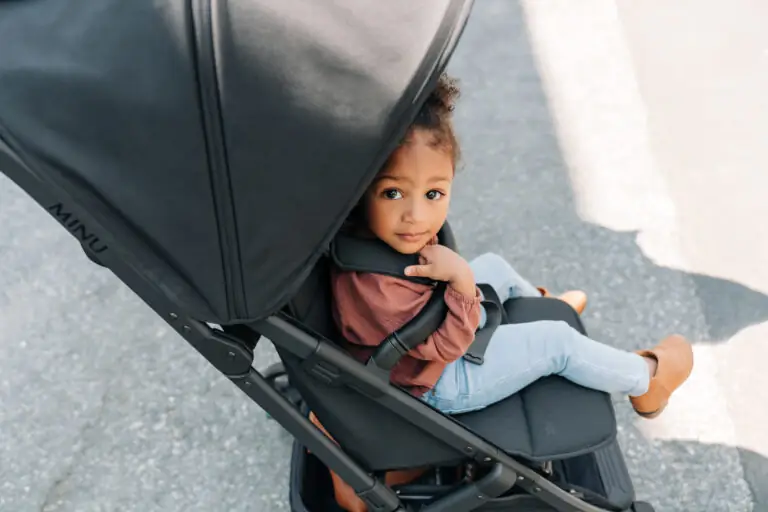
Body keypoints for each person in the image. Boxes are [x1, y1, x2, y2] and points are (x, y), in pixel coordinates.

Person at [318, 73, 694, 512]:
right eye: (393, 193)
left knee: (493, 267)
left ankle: (538, 306)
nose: (415, 215)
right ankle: (645, 379)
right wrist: (461, 282)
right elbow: (449, 345)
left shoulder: (367, 239)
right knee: (556, 342)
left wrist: (460, 280)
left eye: (434, 193)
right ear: (364, 191)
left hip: (422, 329)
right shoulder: (378, 291)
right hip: (437, 380)